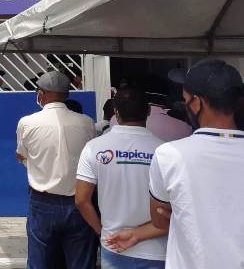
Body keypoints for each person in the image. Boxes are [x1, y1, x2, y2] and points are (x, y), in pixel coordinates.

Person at [148, 59, 244, 268]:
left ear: (197, 103)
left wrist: (184, 213)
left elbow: (159, 220)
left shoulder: (169, 155)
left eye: (186, 100)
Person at [76, 86, 167, 269]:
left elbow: (81, 200)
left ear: (116, 113)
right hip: (157, 249)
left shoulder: (93, 148)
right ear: (148, 110)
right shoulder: (165, 151)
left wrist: (101, 232)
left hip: (114, 246)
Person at [16, 71, 96, 269]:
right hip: (79, 201)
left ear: (41, 94)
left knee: (39, 262)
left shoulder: (27, 123)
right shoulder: (86, 122)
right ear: (67, 95)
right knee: (81, 262)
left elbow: (22, 156)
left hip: (42, 202)